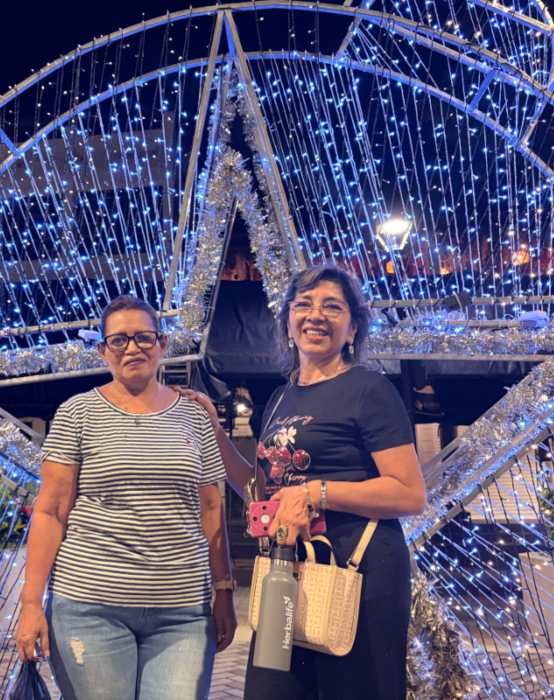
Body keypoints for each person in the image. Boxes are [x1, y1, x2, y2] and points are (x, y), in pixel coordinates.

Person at [182, 264, 426, 700]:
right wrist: (216, 434)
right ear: (288, 323)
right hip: (288, 568)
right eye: (304, 305)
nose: (316, 315)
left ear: (352, 329)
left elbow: (409, 493)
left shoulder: (369, 390)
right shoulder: (281, 396)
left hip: (359, 569)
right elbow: (261, 493)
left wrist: (316, 493)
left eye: (332, 307)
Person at [15, 295, 237, 700]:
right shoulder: (77, 413)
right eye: (118, 340)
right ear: (103, 351)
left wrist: (224, 589)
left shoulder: (195, 417)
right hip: (89, 607)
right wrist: (31, 601)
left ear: (163, 345)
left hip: (182, 611)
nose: (132, 347)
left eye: (143, 338)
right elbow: (50, 511)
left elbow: (211, 508)